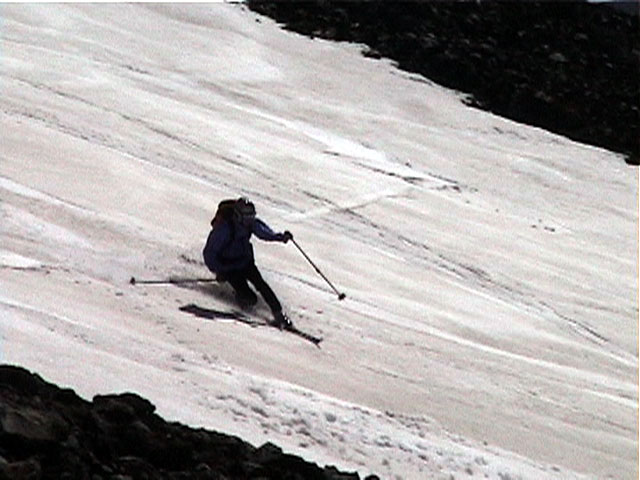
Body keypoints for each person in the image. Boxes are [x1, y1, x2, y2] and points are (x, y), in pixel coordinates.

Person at [203, 197, 293, 328]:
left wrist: (280, 237)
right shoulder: (224, 230)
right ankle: (242, 302)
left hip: (245, 261)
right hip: (230, 267)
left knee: (261, 285)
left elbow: (264, 233)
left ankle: (279, 314)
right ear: (238, 216)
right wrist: (219, 270)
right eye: (247, 217)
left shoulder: (249, 224)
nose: (249, 220)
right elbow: (210, 254)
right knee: (250, 298)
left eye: (251, 216)